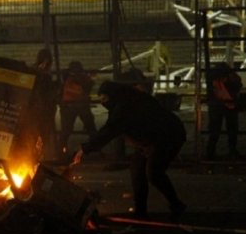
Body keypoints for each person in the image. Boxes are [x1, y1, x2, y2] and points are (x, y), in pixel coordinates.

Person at [71, 80, 187, 221]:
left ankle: (176, 205)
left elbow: (109, 130)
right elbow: (111, 126)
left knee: (154, 172)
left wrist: (85, 149)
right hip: (150, 140)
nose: (103, 103)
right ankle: (141, 212)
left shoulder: (126, 106)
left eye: (104, 99)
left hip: (168, 136)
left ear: (112, 95)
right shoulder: (125, 100)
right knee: (137, 170)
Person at [58, 61, 96, 156]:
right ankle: (61, 151)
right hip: (76, 105)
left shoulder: (68, 77)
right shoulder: (79, 78)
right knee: (89, 127)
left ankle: (60, 151)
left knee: (67, 130)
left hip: (72, 106)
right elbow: (88, 87)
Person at [205, 62, 242, 160]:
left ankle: (211, 151)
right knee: (231, 129)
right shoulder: (232, 79)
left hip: (217, 105)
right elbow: (238, 86)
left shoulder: (213, 79)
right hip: (229, 105)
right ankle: (231, 150)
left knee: (215, 130)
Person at [31, 48, 58, 161]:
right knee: (42, 134)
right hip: (43, 109)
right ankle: (39, 157)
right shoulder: (43, 75)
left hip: (38, 109)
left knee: (37, 134)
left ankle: (35, 157)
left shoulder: (34, 71)